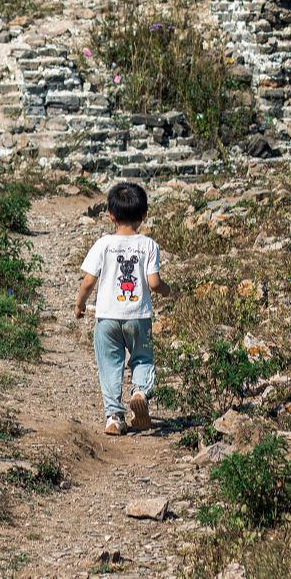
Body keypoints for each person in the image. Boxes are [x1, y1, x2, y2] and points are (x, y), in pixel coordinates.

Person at [75, 181, 170, 435]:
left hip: (106, 317)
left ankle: (114, 417)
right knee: (142, 358)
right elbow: (154, 282)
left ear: (110, 214)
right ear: (144, 215)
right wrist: (169, 291)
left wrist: (80, 304)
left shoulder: (103, 244)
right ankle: (139, 391)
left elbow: (88, 281)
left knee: (109, 364)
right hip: (138, 317)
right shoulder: (148, 245)